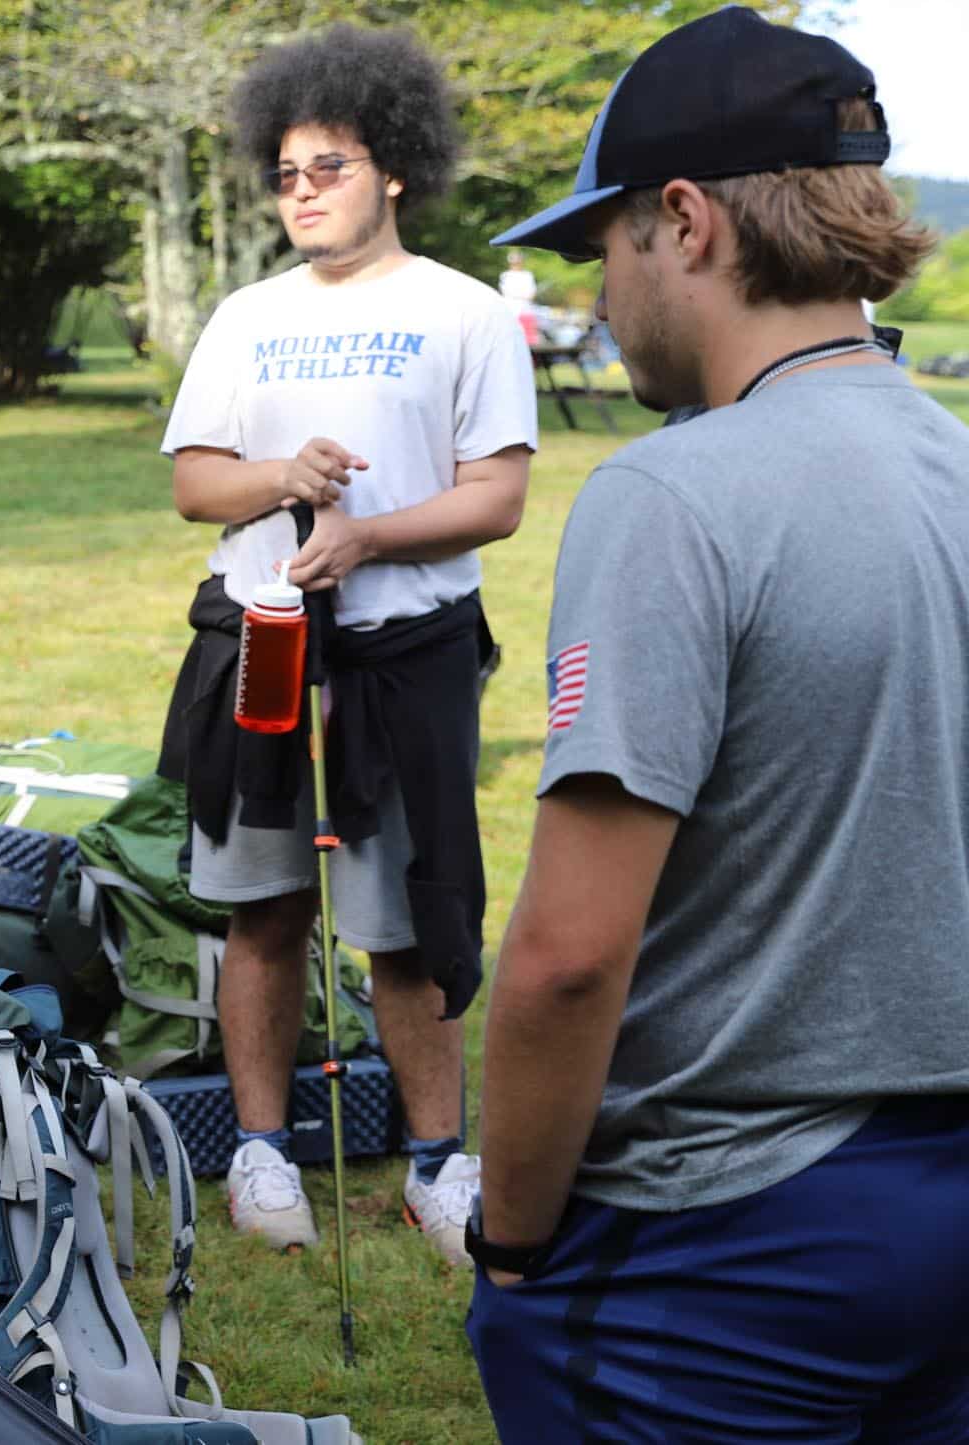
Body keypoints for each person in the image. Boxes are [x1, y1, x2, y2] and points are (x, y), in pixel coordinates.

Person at [469, 10, 965, 1438]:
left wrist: (509, 1242)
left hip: (729, 1233)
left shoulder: (675, 494)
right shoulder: (957, 459)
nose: (605, 300)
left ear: (682, 224)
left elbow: (568, 955)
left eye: (606, 250)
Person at [155, 23, 536, 1268]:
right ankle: (261, 1148)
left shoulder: (465, 312)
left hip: (402, 657)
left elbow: (496, 497)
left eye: (328, 166)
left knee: (407, 916)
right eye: (285, 173)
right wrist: (283, 479)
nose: (303, 190)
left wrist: (365, 539)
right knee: (259, 906)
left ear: (395, 171)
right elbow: (196, 484)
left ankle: (440, 1160)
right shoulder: (244, 315)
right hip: (261, 645)